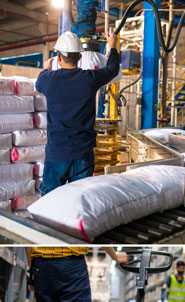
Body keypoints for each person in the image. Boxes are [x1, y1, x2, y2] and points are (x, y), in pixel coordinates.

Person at [35, 31, 120, 195]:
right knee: (80, 198)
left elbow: (40, 80)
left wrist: (46, 67)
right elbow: (113, 69)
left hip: (57, 153)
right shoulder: (90, 78)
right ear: (80, 57)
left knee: (50, 199)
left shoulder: (48, 79)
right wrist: (113, 47)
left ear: (58, 57)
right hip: (83, 154)